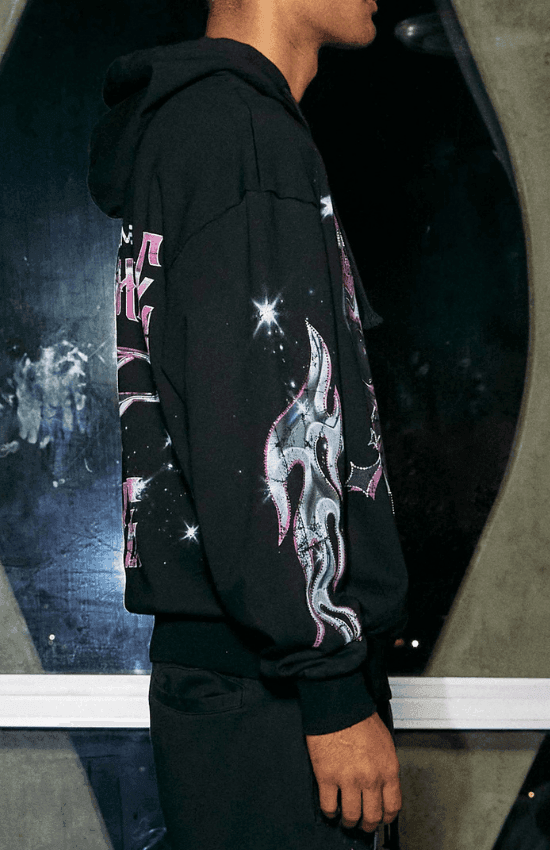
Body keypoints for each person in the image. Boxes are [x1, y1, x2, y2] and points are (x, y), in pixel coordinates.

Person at [88, 0, 409, 847]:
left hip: (239, 681)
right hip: (276, 697)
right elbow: (263, 425)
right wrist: (330, 684)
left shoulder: (203, 130)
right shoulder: (241, 136)